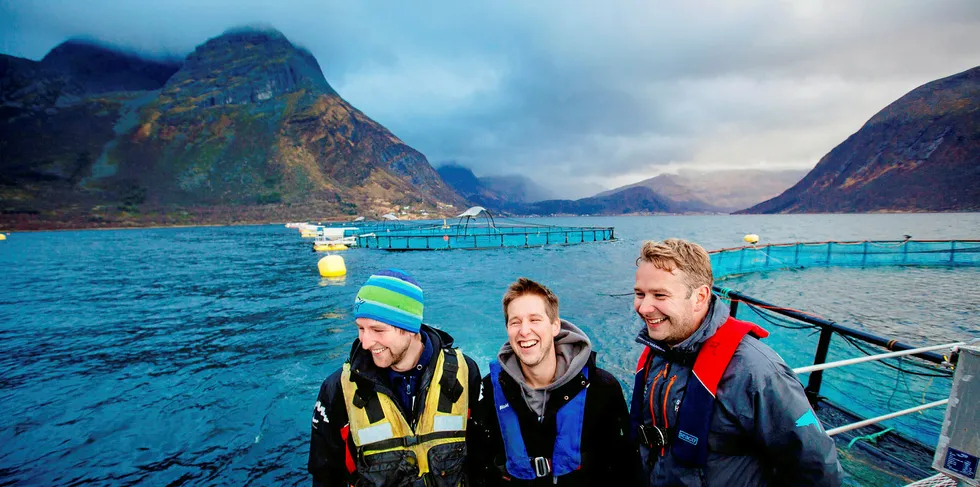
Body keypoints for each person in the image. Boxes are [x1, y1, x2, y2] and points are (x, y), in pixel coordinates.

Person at [629, 239, 842, 486]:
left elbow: (815, 466)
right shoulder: (661, 351)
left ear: (700, 297)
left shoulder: (756, 371)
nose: (644, 307)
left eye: (660, 295)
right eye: (639, 294)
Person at [308, 269, 484, 487]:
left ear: (410, 328)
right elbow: (325, 475)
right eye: (361, 329)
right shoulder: (337, 389)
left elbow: (482, 460)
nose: (365, 343)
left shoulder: (465, 372)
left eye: (378, 330)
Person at [477, 277, 639, 485]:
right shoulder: (490, 389)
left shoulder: (602, 388)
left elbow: (624, 466)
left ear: (555, 326)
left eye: (535, 319)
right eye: (515, 322)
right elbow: (479, 463)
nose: (524, 331)